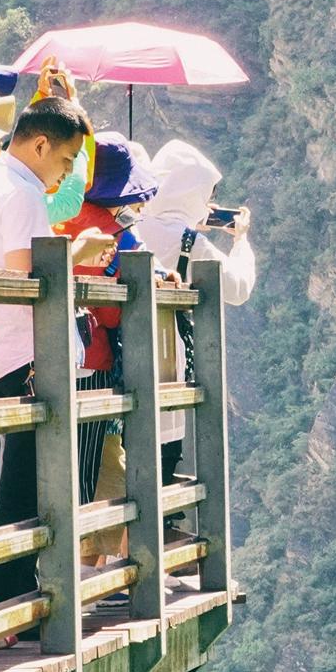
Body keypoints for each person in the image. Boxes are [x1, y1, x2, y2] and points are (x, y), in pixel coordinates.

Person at [0, 93, 93, 627]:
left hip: (6, 351)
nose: (65, 175)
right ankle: (9, 597)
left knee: (17, 477)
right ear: (41, 144)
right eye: (65, 160)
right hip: (29, 354)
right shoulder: (21, 195)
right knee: (24, 482)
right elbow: (26, 279)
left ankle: (13, 593)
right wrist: (77, 257)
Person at [130, 139, 255, 486]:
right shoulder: (190, 243)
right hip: (165, 354)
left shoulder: (128, 221)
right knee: (163, 453)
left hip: (119, 350)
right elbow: (238, 288)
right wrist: (241, 241)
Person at [53, 133, 151, 528]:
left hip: (39, 360)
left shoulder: (57, 215)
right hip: (90, 360)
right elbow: (111, 312)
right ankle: (75, 561)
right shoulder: (109, 233)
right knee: (84, 463)